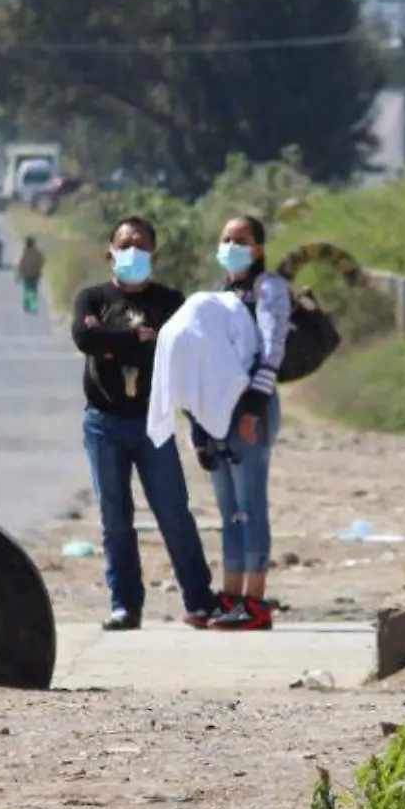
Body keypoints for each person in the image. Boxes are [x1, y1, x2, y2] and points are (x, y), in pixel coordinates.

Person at [71, 217, 219, 630]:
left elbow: (182, 358)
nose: (131, 252)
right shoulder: (92, 299)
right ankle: (125, 605)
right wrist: (136, 341)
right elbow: (86, 340)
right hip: (103, 423)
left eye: (140, 245)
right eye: (124, 245)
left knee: (173, 512)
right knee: (115, 518)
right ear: (110, 252)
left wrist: (200, 427)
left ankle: (199, 600)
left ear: (154, 254)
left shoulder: (171, 302)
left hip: (155, 422)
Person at [193, 214, 291, 631]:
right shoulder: (219, 293)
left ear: (259, 249)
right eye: (226, 239)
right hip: (217, 412)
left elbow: (272, 350)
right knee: (228, 507)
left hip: (252, 409)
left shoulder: (269, 290)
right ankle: (230, 593)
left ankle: (255, 601)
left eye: (241, 240)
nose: (231, 246)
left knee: (251, 504)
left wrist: (252, 409)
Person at [15, 236, 45, 314]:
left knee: (27, 289)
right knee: (34, 290)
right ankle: (33, 305)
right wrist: (38, 269)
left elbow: (21, 265)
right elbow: (41, 261)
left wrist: (18, 275)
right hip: (35, 274)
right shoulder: (37, 253)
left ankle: (27, 304)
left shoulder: (25, 253)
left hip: (27, 274)